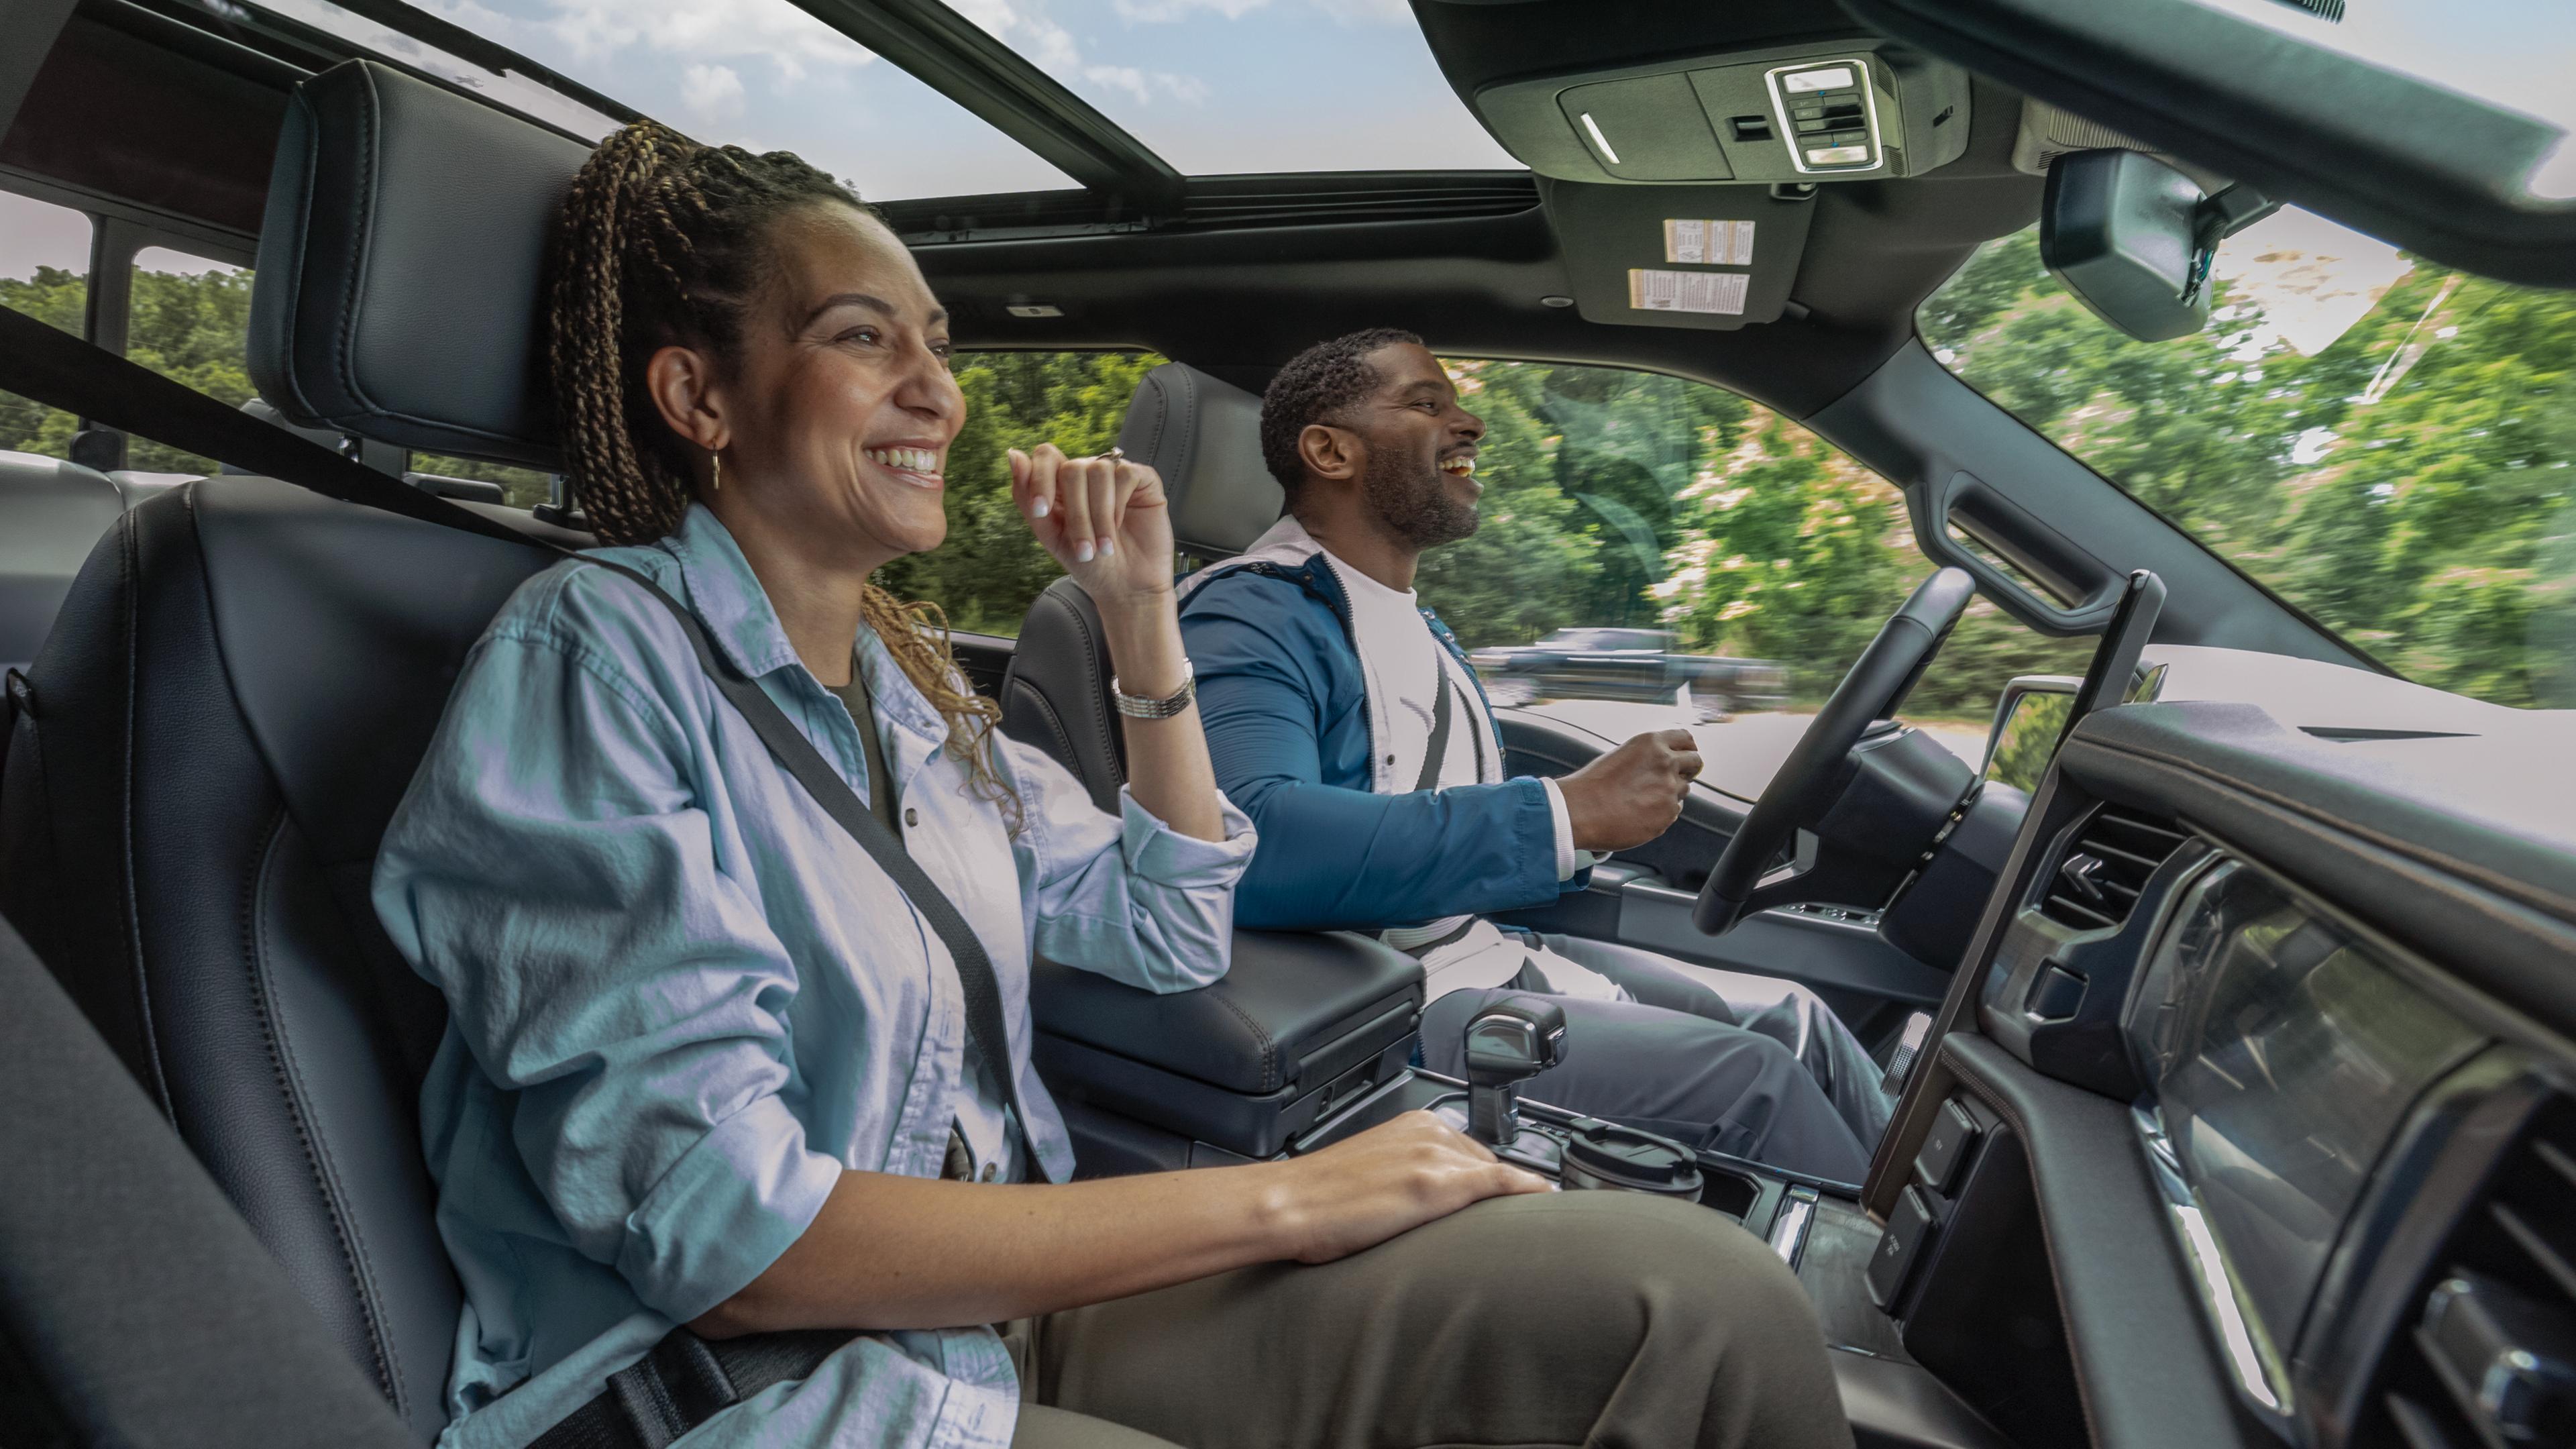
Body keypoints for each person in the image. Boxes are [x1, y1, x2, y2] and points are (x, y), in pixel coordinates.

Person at [370, 124, 1854, 1449]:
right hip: (778, 1390)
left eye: (939, 347)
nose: (937, 394)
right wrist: (1283, 1202)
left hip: (999, 1303)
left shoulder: (907, 697)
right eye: (867, 340)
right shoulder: (598, 655)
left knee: (1694, 1301)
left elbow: (1168, 928)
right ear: (699, 394)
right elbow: (727, 1235)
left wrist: (1145, 614)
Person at [1177, 327, 1895, 1185]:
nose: (1471, 422)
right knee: (1756, 1082)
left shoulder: (1407, 620)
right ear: (1330, 450)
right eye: (1427, 402)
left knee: (1795, 1016)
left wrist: (1593, 821)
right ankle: (1891, 1305)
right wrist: (1561, 813)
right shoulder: (1249, 615)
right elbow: (1245, 837)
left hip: (1475, 950)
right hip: (1378, 1005)